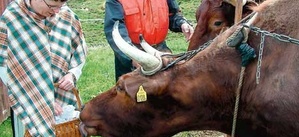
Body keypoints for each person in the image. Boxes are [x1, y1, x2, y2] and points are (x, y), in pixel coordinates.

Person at [0, 0, 87, 136]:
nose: (57, 11)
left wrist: (72, 74)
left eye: (60, 6)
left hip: (62, 97)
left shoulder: (66, 15)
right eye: (52, 6)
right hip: (28, 101)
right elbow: (4, 67)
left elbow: (79, 50)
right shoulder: (12, 18)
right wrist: (41, 101)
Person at [104, 0, 194, 81]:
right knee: (131, 94)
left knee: (165, 92)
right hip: (133, 54)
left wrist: (182, 23)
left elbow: (173, 15)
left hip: (161, 51)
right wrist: (133, 58)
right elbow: (114, 29)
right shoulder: (116, 1)